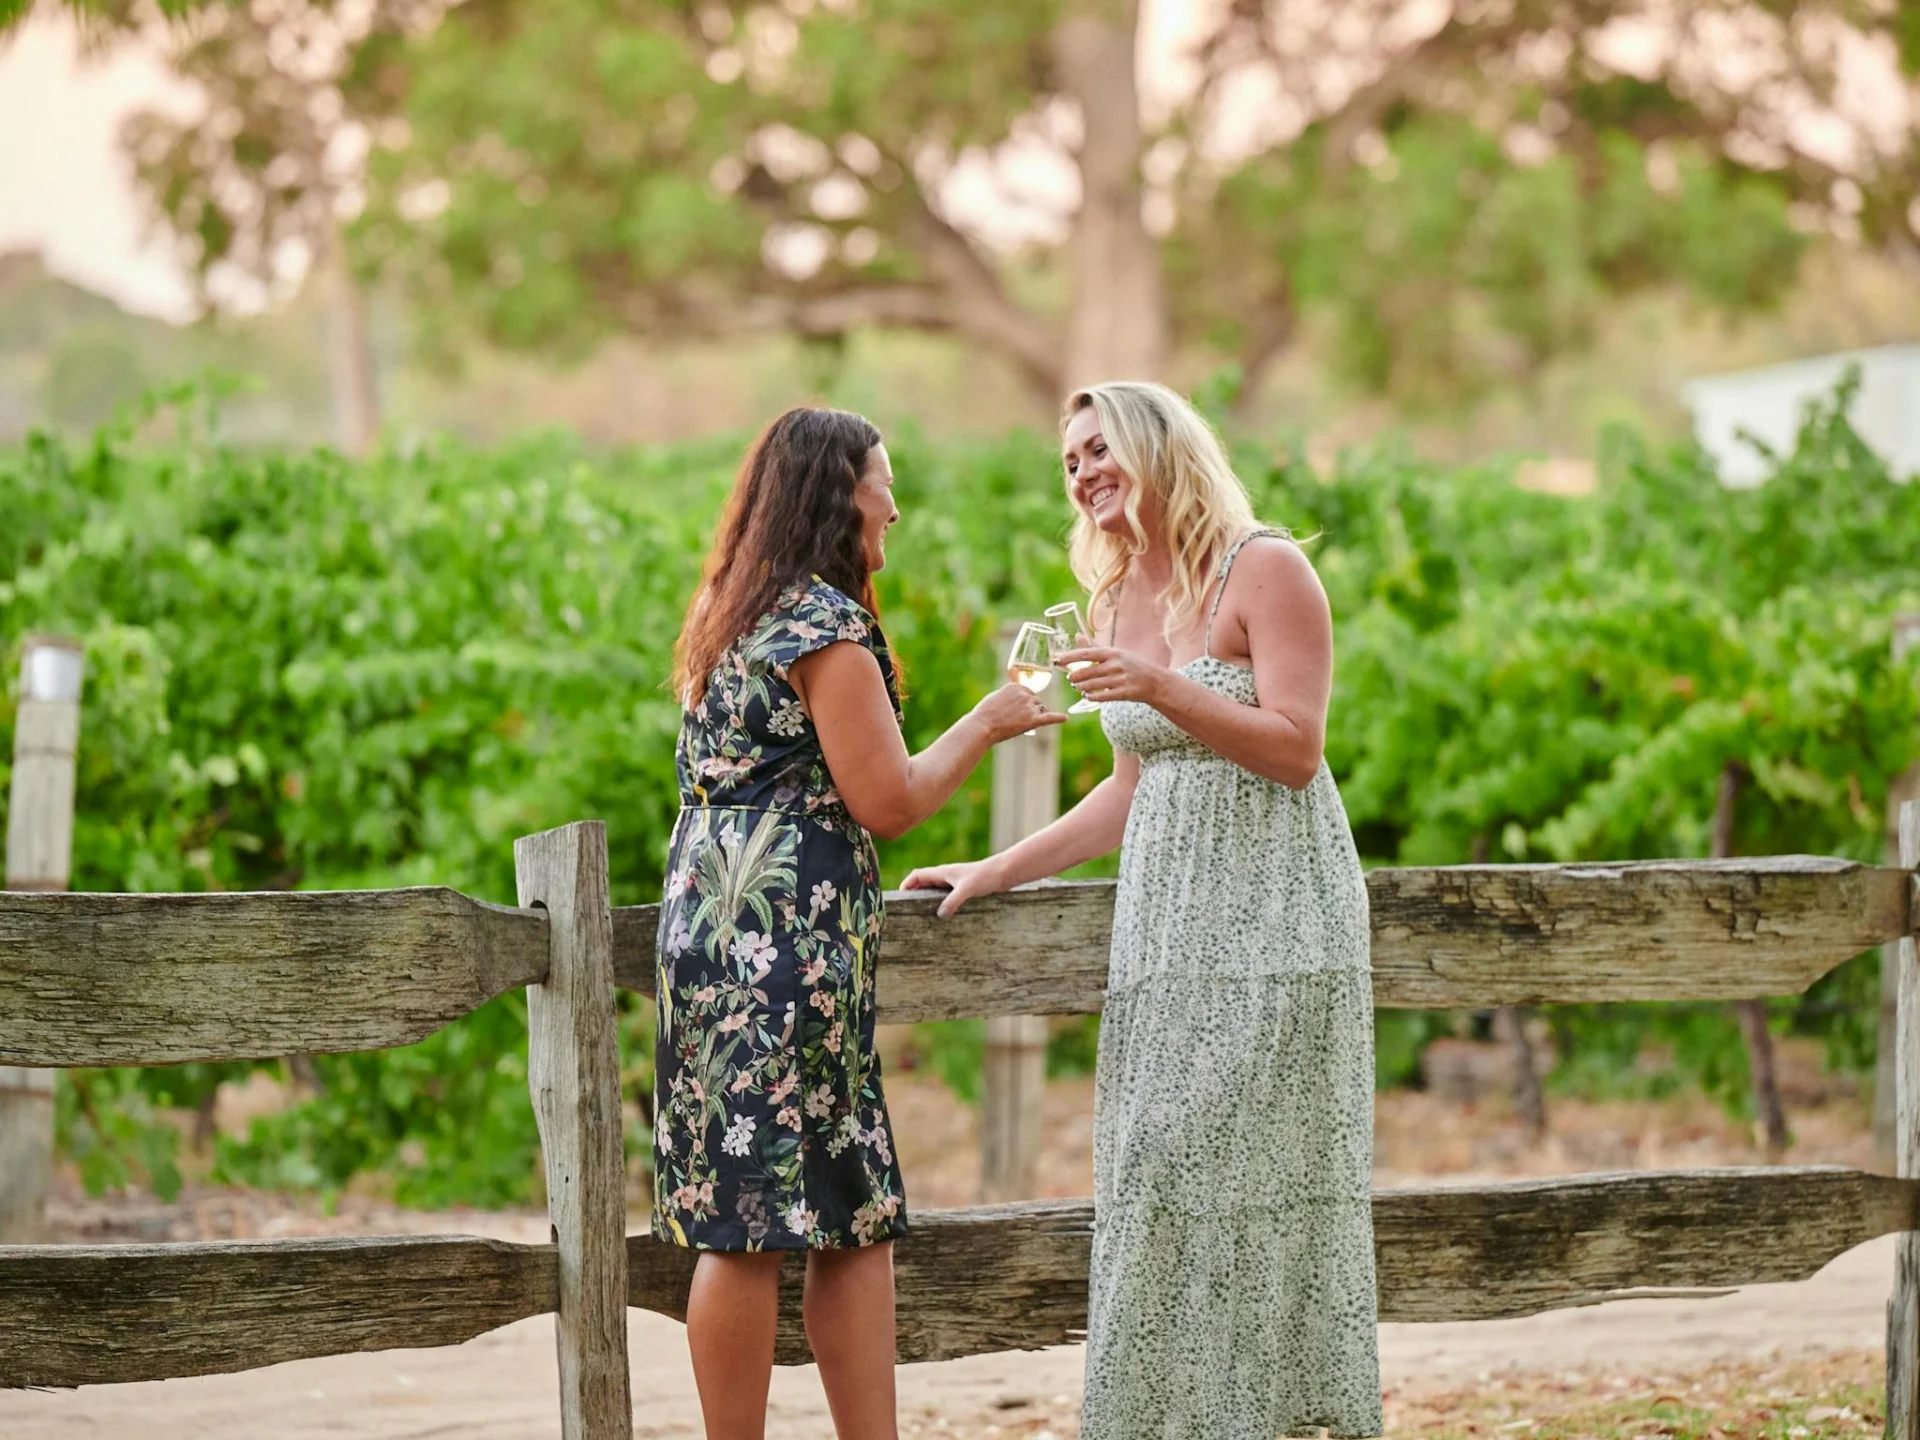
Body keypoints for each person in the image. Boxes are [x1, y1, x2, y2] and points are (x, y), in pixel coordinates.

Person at [903, 381, 1382, 1438]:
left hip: (1279, 914)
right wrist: (997, 867)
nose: (1080, 472)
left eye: (1096, 447)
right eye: (1068, 460)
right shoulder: (1116, 601)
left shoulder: (1265, 567)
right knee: (1156, 1169)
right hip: (1167, 928)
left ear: (1159, 446)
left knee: (1261, 1173)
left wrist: (1159, 687)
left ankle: (1272, 1416)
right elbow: (1127, 790)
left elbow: (1297, 750)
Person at [653, 405, 1064, 1440]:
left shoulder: (732, 613)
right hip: (784, 937)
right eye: (884, 479)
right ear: (839, 491)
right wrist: (990, 719)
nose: (895, 502)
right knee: (785, 1219)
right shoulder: (824, 628)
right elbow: (888, 798)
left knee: (814, 1207)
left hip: (711, 922)